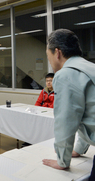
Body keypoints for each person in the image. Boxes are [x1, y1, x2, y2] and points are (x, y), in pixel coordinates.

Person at [42, 29, 95, 179]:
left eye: (48, 56)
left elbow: (66, 120)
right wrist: (78, 149)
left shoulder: (65, 74)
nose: (50, 61)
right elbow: (89, 114)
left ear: (57, 53)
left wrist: (62, 160)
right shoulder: (90, 67)